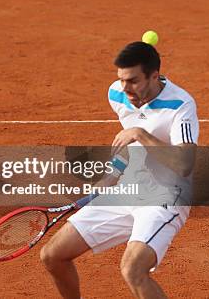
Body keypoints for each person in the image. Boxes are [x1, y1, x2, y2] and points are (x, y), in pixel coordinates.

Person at [40, 41, 199, 298]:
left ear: (154, 76)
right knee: (52, 255)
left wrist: (141, 133)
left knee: (133, 269)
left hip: (165, 198)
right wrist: (112, 175)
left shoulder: (181, 105)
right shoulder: (117, 94)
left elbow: (185, 164)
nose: (125, 88)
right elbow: (128, 144)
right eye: (122, 79)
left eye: (133, 81)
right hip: (128, 189)